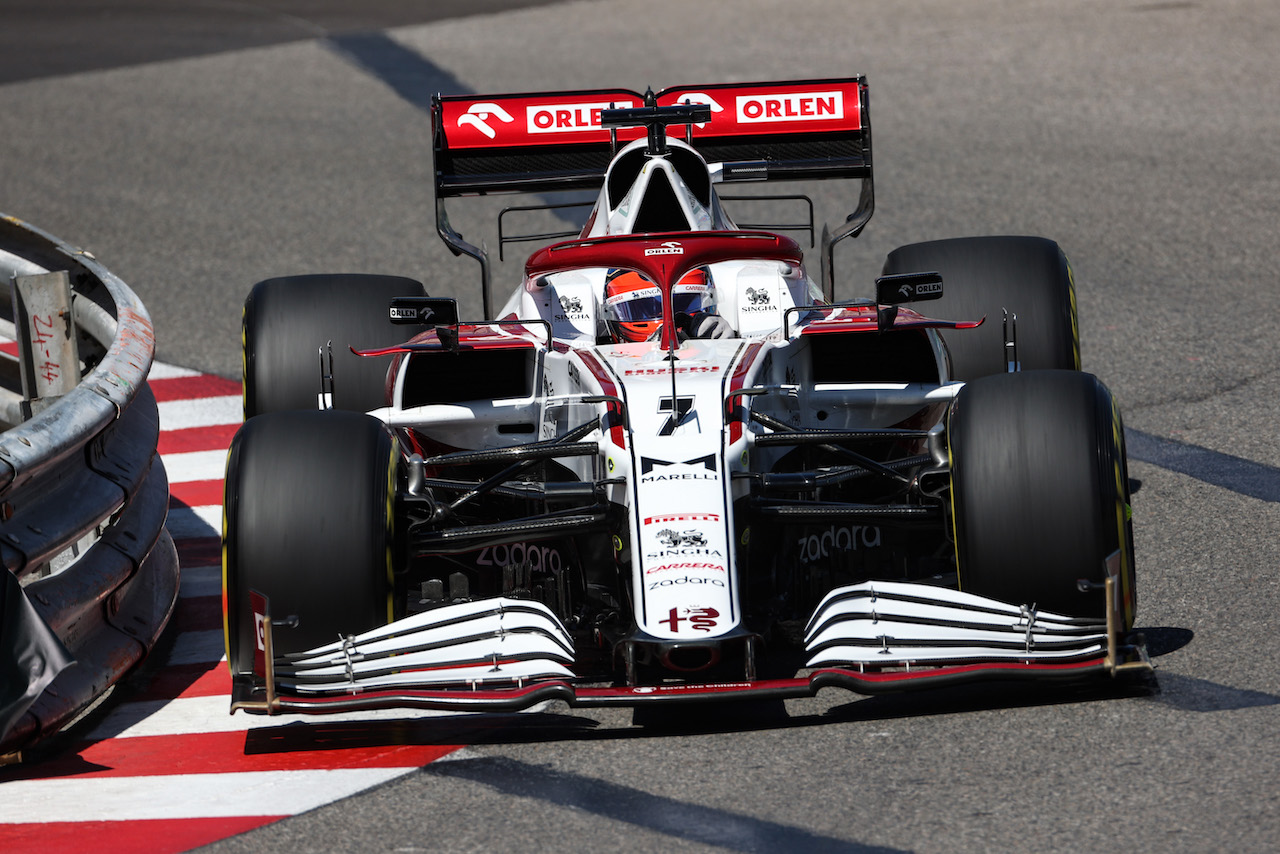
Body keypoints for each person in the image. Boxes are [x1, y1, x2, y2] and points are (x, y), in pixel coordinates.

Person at [602, 268, 734, 343]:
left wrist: (728, 349)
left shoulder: (718, 333)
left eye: (683, 302)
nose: (664, 328)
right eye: (644, 308)